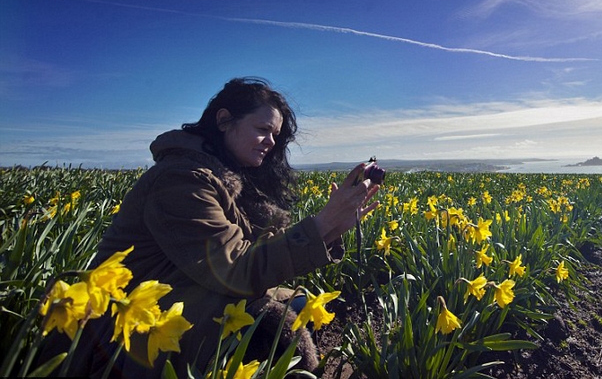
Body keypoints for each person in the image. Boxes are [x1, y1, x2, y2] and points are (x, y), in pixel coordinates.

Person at [42, 77, 381, 377]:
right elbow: (235, 269)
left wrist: (332, 228)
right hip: (131, 337)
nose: (271, 142)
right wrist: (321, 224)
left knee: (297, 304)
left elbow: (242, 257)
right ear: (223, 120)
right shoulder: (180, 180)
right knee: (275, 326)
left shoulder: (222, 177)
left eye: (276, 135)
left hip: (179, 308)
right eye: (263, 129)